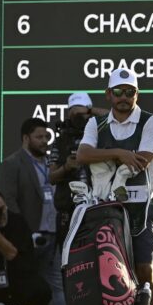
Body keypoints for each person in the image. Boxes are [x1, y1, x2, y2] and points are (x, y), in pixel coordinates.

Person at [77, 68, 153, 305]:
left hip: (140, 208)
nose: (124, 98)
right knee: (108, 272)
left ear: (137, 94)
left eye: (130, 92)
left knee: (144, 269)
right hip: (104, 208)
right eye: (119, 92)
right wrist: (119, 153)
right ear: (108, 94)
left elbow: (144, 159)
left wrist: (116, 156)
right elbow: (83, 155)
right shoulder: (96, 124)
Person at [0, 117, 66, 305]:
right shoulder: (12, 163)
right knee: (24, 281)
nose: (44, 141)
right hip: (27, 236)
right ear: (26, 138)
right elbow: (7, 199)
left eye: (46, 137)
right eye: (39, 137)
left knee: (56, 284)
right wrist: (22, 231)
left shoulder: (51, 165)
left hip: (53, 234)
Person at [51, 92, 100, 248]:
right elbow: (51, 177)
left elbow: (115, 117)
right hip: (68, 210)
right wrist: (66, 167)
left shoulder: (99, 134)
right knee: (67, 261)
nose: (78, 118)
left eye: (82, 114)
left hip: (94, 209)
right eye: (74, 114)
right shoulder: (61, 140)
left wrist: (89, 111)